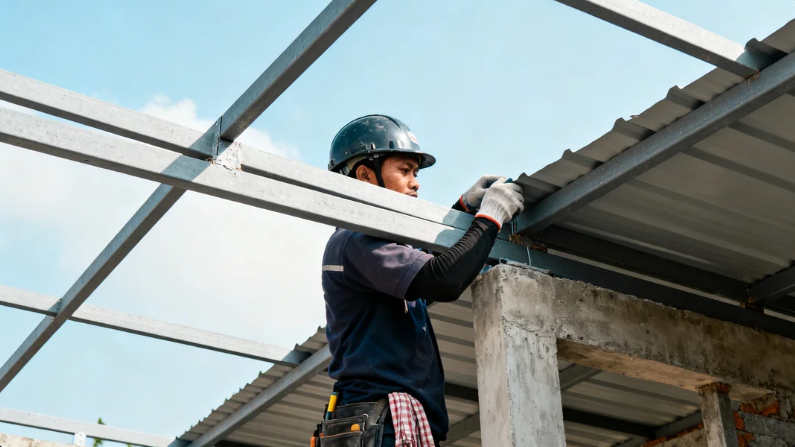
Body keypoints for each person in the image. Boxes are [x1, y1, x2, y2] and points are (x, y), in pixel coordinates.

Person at [319, 115, 524, 447]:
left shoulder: (372, 245)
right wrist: (490, 217)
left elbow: (424, 267)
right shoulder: (356, 239)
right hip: (381, 425)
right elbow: (442, 279)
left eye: (415, 173)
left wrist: (463, 208)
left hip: (389, 422)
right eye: (404, 171)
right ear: (364, 176)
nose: (415, 183)